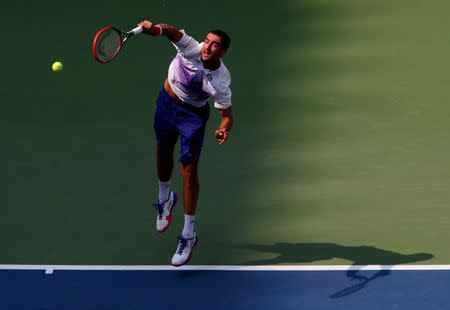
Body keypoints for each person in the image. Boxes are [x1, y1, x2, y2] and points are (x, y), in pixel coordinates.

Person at [137, 20, 233, 266]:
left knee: (189, 171)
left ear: (222, 53)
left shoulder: (221, 80)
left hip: (193, 117)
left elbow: (227, 116)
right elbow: (172, 31)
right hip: (167, 104)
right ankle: (165, 199)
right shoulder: (191, 48)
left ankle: (189, 234)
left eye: (215, 46)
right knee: (163, 150)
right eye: (207, 41)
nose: (207, 47)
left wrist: (223, 129)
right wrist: (155, 29)